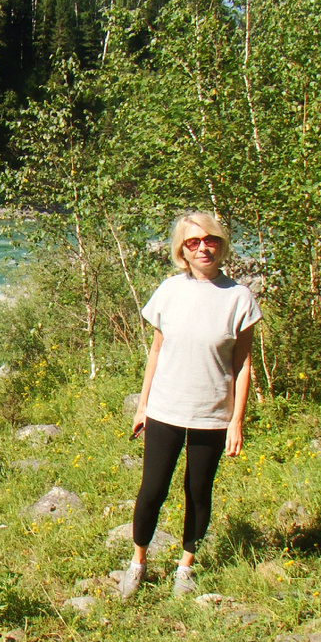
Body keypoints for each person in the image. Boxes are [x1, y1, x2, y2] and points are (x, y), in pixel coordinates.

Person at [120, 213, 261, 600]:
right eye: (193, 242)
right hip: (166, 408)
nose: (204, 248)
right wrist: (143, 405)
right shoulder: (169, 290)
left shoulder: (239, 297)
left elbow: (243, 364)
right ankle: (137, 563)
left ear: (221, 244)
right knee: (152, 489)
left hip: (212, 413)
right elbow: (156, 350)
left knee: (198, 492)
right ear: (182, 249)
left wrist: (236, 421)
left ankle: (185, 568)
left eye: (211, 240)